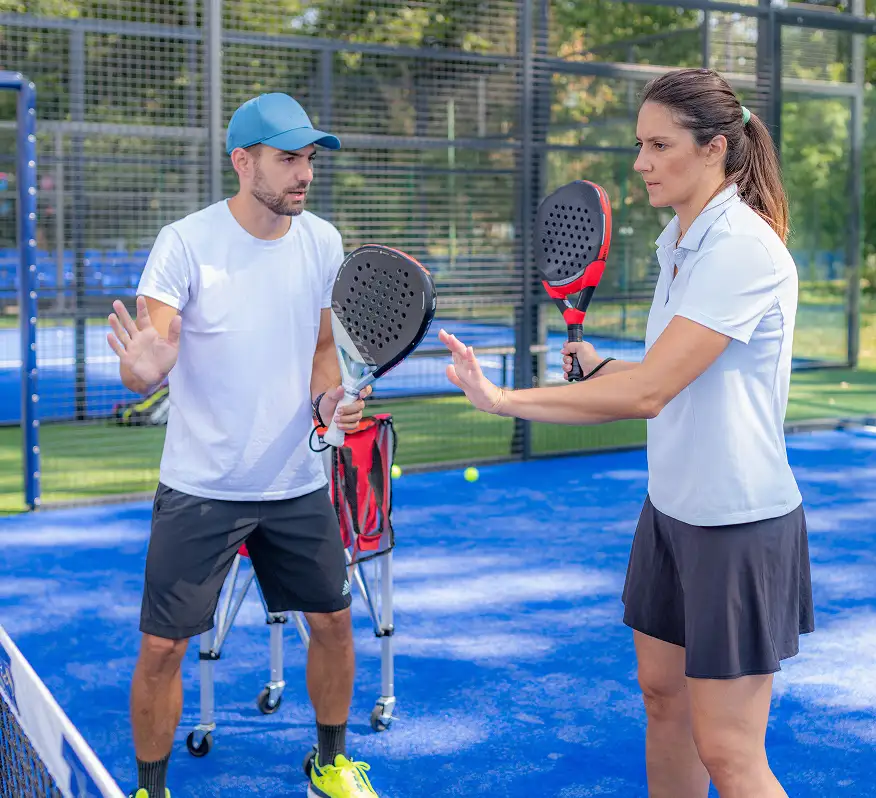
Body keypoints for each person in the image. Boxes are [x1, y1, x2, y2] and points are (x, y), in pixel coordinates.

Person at [439, 67, 813, 798]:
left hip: (735, 524)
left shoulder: (741, 246)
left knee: (730, 751)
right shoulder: (680, 238)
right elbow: (681, 370)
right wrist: (607, 363)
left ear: (713, 149)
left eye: (657, 144)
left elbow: (649, 394)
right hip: (671, 510)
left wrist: (502, 398)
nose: (639, 162)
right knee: (662, 702)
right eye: (639, 144)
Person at [107, 92, 381, 798]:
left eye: (310, 159)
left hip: (297, 483)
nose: (304, 174)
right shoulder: (186, 242)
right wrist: (144, 368)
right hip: (202, 488)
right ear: (243, 161)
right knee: (164, 647)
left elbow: (322, 346)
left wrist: (328, 399)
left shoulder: (322, 240)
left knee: (335, 625)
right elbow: (149, 353)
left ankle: (330, 764)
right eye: (289, 159)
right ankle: (151, 789)